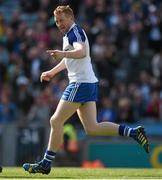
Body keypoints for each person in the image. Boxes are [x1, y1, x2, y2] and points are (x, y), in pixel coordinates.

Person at [23, 5, 149, 174]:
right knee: (92, 128)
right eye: (57, 22)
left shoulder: (75, 32)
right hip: (88, 83)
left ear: (71, 18)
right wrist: (52, 72)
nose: (59, 24)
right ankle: (133, 132)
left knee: (55, 120)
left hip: (80, 84)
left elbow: (81, 52)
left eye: (61, 20)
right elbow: (71, 58)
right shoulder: (70, 34)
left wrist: (62, 53)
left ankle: (46, 163)